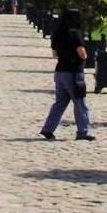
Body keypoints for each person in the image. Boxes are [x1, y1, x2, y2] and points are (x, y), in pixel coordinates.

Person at [40, 8, 94, 141]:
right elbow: (82, 53)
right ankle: (83, 132)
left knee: (59, 103)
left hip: (60, 72)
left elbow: (54, 54)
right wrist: (85, 56)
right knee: (80, 103)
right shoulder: (75, 33)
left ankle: (48, 129)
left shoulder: (57, 34)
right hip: (74, 72)